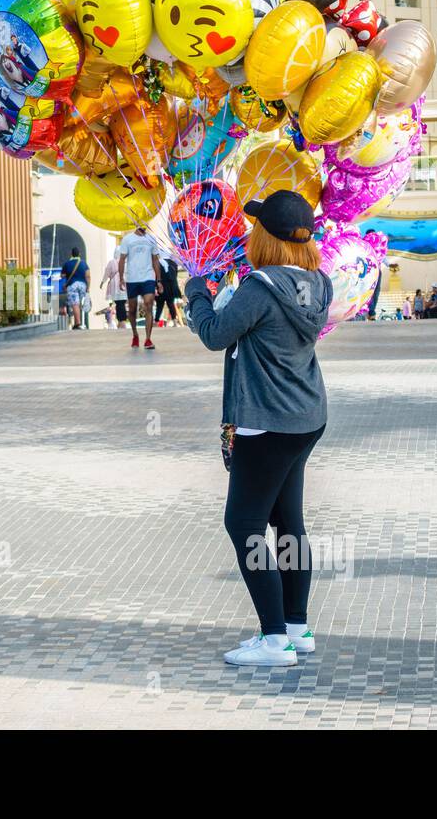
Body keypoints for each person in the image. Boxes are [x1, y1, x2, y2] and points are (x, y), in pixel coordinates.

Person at [184, 191, 332, 667]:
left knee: (244, 523)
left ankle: (274, 641)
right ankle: (296, 626)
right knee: (289, 523)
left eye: (256, 228)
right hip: (306, 417)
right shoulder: (318, 283)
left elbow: (214, 334)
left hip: (266, 422)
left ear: (266, 236)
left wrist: (196, 294)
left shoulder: (260, 288)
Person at [117, 226, 164, 349]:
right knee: (132, 309)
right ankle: (135, 335)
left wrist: (158, 280)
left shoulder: (151, 239)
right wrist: (121, 278)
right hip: (132, 278)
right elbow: (122, 259)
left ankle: (148, 339)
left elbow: (155, 260)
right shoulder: (127, 239)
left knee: (148, 304)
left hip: (148, 277)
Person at [59, 248, 90, 330]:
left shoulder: (67, 264)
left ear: (71, 254)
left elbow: (62, 275)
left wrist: (68, 275)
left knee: (75, 304)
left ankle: (78, 323)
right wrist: (88, 287)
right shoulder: (83, 264)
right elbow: (88, 276)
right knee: (82, 304)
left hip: (72, 285)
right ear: (79, 254)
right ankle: (83, 323)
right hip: (82, 285)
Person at [100, 255, 129, 329]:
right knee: (122, 303)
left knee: (119, 303)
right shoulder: (126, 262)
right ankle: (122, 321)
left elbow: (107, 272)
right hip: (124, 284)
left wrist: (103, 282)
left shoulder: (111, 262)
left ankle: (121, 321)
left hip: (115, 285)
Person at [155, 255, 182, 326]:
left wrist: (156, 286)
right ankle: (175, 322)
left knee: (160, 305)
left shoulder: (157, 263)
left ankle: (157, 322)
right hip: (170, 287)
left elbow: (155, 276)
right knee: (170, 304)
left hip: (162, 286)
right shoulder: (172, 263)